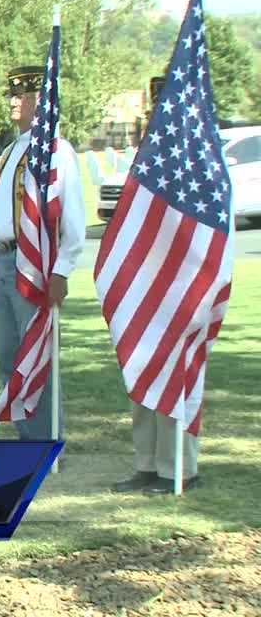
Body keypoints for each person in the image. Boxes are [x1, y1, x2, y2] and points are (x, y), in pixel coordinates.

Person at [112, 72, 201, 496]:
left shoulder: (196, 153)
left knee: (178, 376)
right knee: (141, 368)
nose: (155, 112)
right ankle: (147, 463)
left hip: (183, 280)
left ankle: (178, 467)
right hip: (145, 280)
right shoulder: (148, 154)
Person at [0, 66, 85, 441]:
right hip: (3, 258)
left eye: (23, 95)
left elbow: (72, 217)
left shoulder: (56, 151)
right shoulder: (14, 148)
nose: (14, 101)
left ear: (41, 100)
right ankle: (28, 436)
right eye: (11, 94)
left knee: (36, 354)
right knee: (10, 355)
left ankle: (45, 440)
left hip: (34, 264)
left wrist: (62, 270)